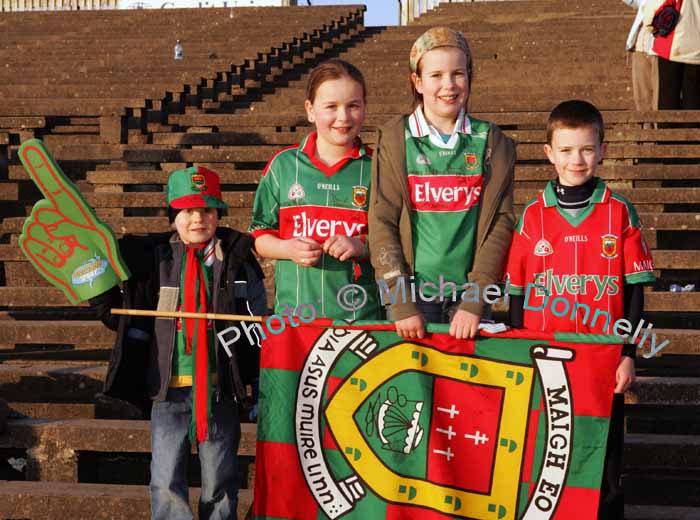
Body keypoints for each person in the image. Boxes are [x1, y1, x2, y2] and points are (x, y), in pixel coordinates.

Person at [505, 100, 656, 520]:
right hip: (546, 360)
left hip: (603, 360)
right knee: (547, 457)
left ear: (602, 150)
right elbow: (516, 295)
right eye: (567, 150)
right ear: (549, 153)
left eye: (587, 149)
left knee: (605, 460)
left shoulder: (620, 211)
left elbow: (635, 292)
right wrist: (519, 353)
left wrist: (629, 353)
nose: (577, 159)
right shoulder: (532, 218)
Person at [91, 166, 267, 520]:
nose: (197, 219)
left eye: (206, 210)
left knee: (220, 477)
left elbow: (256, 325)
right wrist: (99, 294)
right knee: (166, 478)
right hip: (167, 391)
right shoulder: (151, 261)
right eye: (187, 211)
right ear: (173, 217)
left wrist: (258, 380)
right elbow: (122, 316)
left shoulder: (237, 261)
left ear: (218, 215)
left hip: (219, 391)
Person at [368, 27, 516, 340]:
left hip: (469, 297)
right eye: (436, 75)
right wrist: (399, 301)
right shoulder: (395, 138)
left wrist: (477, 299)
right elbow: (382, 222)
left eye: (457, 74)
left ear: (469, 77)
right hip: (415, 296)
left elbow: (501, 224)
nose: (448, 85)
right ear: (417, 81)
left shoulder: (492, 140)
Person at [249, 58, 381, 321]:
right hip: (294, 318)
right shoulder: (283, 166)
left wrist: (362, 246)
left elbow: (397, 241)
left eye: (353, 105)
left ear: (364, 108)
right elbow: (260, 235)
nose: (343, 117)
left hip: (362, 319)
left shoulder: (378, 167)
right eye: (331, 106)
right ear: (310, 109)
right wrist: (287, 249)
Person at [644, 0, 700, 109]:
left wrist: (651, 26)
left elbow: (657, 6)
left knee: (668, 100)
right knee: (694, 101)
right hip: (697, 50)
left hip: (672, 47)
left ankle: (669, 126)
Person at [623, 0, 658, 111]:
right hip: (640, 47)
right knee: (642, 95)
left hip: (662, 49)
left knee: (660, 94)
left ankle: (660, 126)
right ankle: (646, 126)